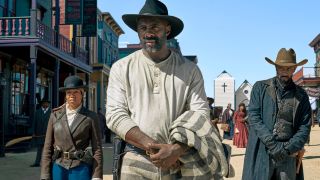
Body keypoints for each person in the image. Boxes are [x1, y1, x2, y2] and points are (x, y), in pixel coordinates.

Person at [106, 0, 229, 179]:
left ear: (167, 29)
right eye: (143, 28)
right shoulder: (121, 68)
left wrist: (175, 150)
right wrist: (152, 146)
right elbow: (115, 115)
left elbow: (200, 115)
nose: (148, 33)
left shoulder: (189, 70)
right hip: (135, 160)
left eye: (155, 27)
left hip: (179, 161)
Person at [242, 48, 312, 180]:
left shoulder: (301, 96)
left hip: (289, 155)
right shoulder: (260, 88)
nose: (285, 71)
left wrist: (287, 149)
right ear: (275, 68)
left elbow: (305, 126)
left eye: (289, 68)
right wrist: (273, 145)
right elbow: (254, 117)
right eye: (281, 68)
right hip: (263, 151)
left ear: (294, 69)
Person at [41, 75, 103, 180]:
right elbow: (47, 147)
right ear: (65, 96)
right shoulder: (55, 115)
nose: (72, 95)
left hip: (80, 166)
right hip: (59, 166)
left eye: (76, 92)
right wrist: (45, 174)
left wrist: (97, 176)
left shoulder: (91, 117)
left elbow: (97, 149)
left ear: (82, 94)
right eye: (69, 92)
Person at [30, 98, 51, 167]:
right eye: (44, 103)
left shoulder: (52, 112)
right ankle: (37, 162)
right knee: (39, 150)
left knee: (48, 150)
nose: (45, 104)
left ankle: (49, 163)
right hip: (39, 135)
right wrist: (33, 132)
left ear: (49, 104)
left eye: (47, 103)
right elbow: (34, 123)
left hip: (48, 135)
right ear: (42, 104)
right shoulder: (37, 112)